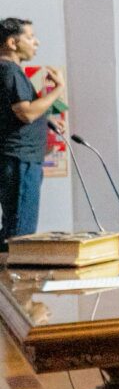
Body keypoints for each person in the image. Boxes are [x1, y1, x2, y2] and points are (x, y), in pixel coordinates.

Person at [0, 17, 62, 238]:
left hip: (21, 160)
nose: (36, 43)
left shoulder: (9, 72)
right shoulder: (10, 71)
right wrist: (58, 90)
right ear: (12, 42)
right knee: (20, 233)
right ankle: (11, 273)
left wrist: (45, 119)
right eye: (30, 37)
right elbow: (26, 113)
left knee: (14, 228)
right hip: (20, 161)